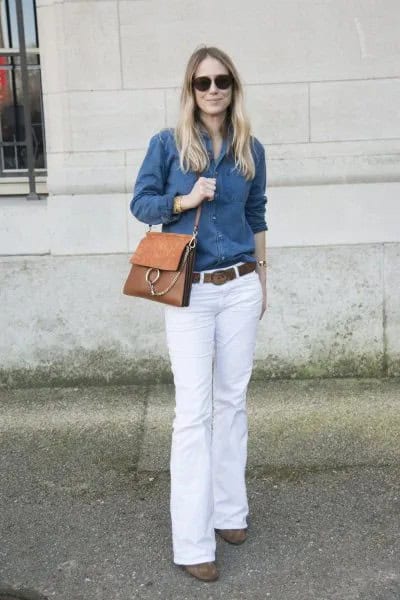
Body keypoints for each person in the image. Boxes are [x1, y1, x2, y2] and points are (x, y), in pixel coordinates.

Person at [130, 45, 268, 582]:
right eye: (203, 82)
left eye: (223, 81)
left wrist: (263, 278)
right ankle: (192, 541)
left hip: (239, 286)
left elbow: (257, 214)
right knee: (193, 412)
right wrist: (184, 202)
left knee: (232, 401)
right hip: (188, 290)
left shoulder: (248, 148)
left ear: (234, 87)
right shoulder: (167, 145)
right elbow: (142, 203)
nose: (213, 90)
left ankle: (228, 511)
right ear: (190, 90)